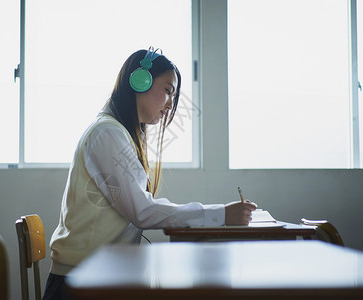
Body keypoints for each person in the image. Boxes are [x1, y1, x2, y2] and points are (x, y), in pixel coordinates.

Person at [42, 47, 257, 300]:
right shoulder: (107, 134)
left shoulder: (118, 133)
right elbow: (143, 211)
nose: (171, 104)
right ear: (139, 81)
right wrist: (221, 214)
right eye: (167, 90)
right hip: (83, 284)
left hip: (100, 276)